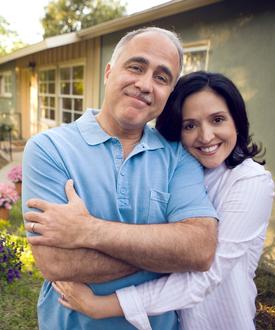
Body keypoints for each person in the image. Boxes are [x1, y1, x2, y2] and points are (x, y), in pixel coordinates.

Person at [43, 71, 275, 330]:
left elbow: (207, 272)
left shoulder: (250, 181)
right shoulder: (178, 167)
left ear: (237, 122)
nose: (206, 136)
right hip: (171, 322)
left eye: (218, 119)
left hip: (220, 321)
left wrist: (103, 305)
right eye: (190, 125)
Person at [23, 29, 218, 330]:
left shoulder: (179, 155)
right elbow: (56, 263)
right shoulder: (49, 148)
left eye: (162, 77)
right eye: (136, 67)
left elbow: (199, 250)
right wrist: (166, 253)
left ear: (169, 93)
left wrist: (87, 231)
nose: (145, 84)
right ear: (109, 72)